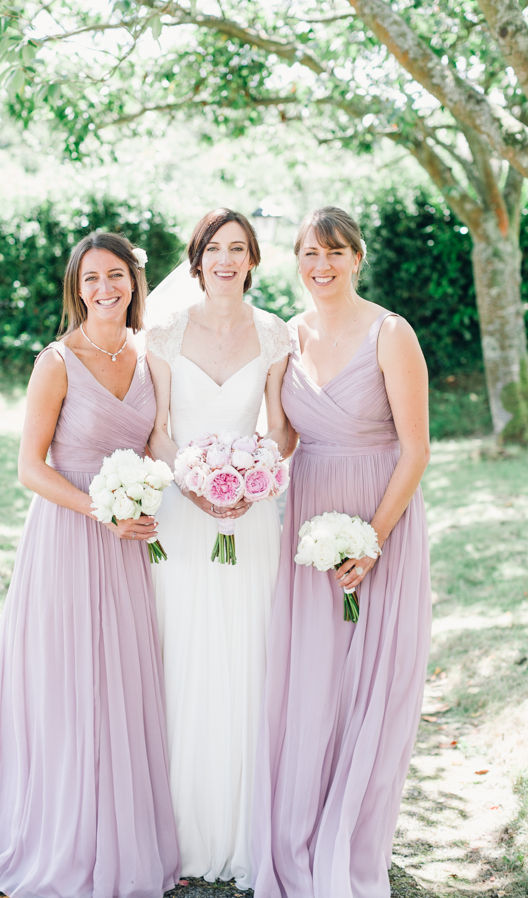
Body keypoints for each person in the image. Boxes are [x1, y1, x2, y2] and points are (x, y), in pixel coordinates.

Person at [0, 232, 180, 898]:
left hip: (130, 543)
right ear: (75, 288)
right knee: (66, 683)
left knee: (121, 685)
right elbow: (29, 468)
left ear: (135, 282)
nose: (104, 288)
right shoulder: (57, 361)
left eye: (116, 275)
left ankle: (118, 834)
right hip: (68, 534)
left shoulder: (150, 355)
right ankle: (53, 833)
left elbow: (160, 443)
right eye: (90, 279)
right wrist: (96, 509)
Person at [252, 206, 431, 898]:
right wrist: (245, 477)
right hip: (308, 516)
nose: (320, 266)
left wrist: (376, 539)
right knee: (312, 679)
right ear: (296, 262)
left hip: (379, 512)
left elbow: (415, 449)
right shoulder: (286, 339)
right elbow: (287, 439)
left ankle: (351, 839)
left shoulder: (392, 333)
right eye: (308, 254)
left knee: (369, 684)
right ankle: (299, 832)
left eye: (333, 252)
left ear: (357, 257)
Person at [145, 208, 292, 888]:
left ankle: (241, 828)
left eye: (238, 248)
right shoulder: (166, 330)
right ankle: (175, 825)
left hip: (251, 515)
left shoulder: (275, 332)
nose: (226, 259)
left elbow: (284, 431)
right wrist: (196, 480)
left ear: (253, 259)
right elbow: (156, 433)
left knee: (245, 654)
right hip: (184, 511)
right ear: (196, 258)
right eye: (214, 248)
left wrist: (256, 471)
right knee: (184, 652)